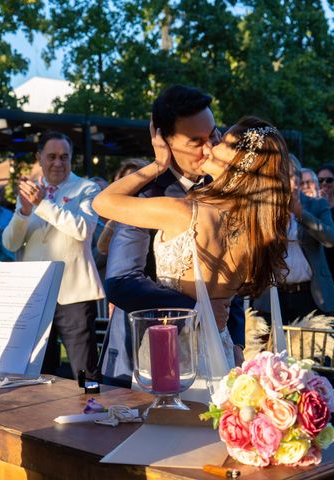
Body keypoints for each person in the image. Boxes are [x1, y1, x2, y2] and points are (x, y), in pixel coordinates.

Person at [94, 115, 291, 370]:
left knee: (166, 409)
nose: (210, 146)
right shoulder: (252, 228)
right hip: (220, 350)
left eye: (221, 140)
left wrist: (157, 165)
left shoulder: (184, 212)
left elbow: (102, 202)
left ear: (238, 161)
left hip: (173, 352)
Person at [98, 86, 245, 387]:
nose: (209, 149)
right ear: (163, 141)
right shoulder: (146, 195)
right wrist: (198, 310)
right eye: (196, 142)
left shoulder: (223, 190)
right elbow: (121, 280)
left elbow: (231, 275)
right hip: (147, 349)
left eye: (214, 136)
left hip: (217, 345)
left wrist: (237, 339)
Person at [2, 131, 104, 381]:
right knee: (38, 370)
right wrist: (23, 212)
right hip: (37, 294)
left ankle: (94, 411)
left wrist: (42, 204)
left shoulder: (86, 188)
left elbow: (82, 230)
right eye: (51, 157)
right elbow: (10, 243)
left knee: (84, 371)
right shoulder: (29, 192)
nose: (58, 163)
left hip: (75, 294)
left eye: (64, 157)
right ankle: (42, 417)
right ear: (39, 158)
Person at [253, 155, 334, 323]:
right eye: (279, 176)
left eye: (290, 176)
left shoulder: (317, 205)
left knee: (312, 348)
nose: (284, 181)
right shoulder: (263, 208)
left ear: (298, 180)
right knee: (272, 348)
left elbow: (331, 239)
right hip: (273, 294)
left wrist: (301, 215)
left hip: (311, 294)